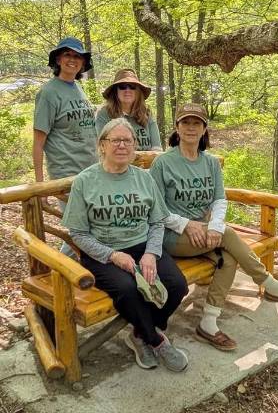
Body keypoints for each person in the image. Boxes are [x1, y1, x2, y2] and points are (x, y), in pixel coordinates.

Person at [149, 103, 278, 351]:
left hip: (205, 235)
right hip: (172, 236)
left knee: (228, 256)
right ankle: (268, 283)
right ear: (176, 127)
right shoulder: (163, 163)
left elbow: (219, 199)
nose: (191, 127)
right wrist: (187, 224)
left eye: (197, 123)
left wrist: (212, 226)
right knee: (227, 233)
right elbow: (156, 209)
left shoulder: (210, 163)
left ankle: (208, 322)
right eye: (185, 122)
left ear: (204, 129)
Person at [62, 117, 189, 372]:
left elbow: (157, 222)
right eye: (115, 140)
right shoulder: (86, 181)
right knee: (128, 290)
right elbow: (77, 233)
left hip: (143, 246)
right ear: (102, 145)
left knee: (177, 285)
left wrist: (152, 253)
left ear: (134, 146)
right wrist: (112, 255)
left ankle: (139, 334)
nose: (122, 145)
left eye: (127, 140)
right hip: (101, 252)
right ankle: (156, 340)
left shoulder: (144, 179)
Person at [33, 37, 97, 256]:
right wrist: (41, 187)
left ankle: (68, 272)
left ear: (82, 63)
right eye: (68, 55)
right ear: (58, 59)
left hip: (91, 171)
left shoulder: (78, 88)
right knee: (82, 231)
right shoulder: (49, 93)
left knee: (92, 228)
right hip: (66, 174)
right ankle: (58, 273)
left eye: (77, 56)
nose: (73, 59)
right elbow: (38, 141)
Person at [96, 68, 162, 151]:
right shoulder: (104, 114)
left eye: (132, 86)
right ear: (115, 91)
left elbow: (156, 148)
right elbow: (103, 147)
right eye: (122, 87)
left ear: (138, 91)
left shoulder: (147, 113)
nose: (127, 90)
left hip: (147, 162)